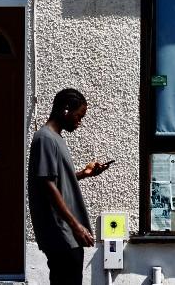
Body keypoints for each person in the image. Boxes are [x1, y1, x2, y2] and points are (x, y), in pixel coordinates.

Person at [29, 88, 113, 285]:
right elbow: (47, 184)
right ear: (66, 109)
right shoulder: (45, 138)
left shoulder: (55, 138)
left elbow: (55, 179)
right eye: (79, 115)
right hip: (61, 233)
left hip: (66, 234)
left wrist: (83, 174)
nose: (79, 121)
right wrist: (76, 226)